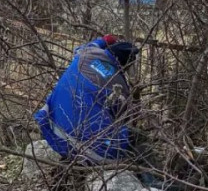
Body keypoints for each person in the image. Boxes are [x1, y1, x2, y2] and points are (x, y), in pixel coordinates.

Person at [33, 34, 139, 163]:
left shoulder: (86, 53)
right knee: (136, 138)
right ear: (124, 65)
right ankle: (152, 179)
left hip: (52, 131)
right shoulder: (119, 85)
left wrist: (105, 40)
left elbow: (91, 45)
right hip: (91, 150)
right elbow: (123, 118)